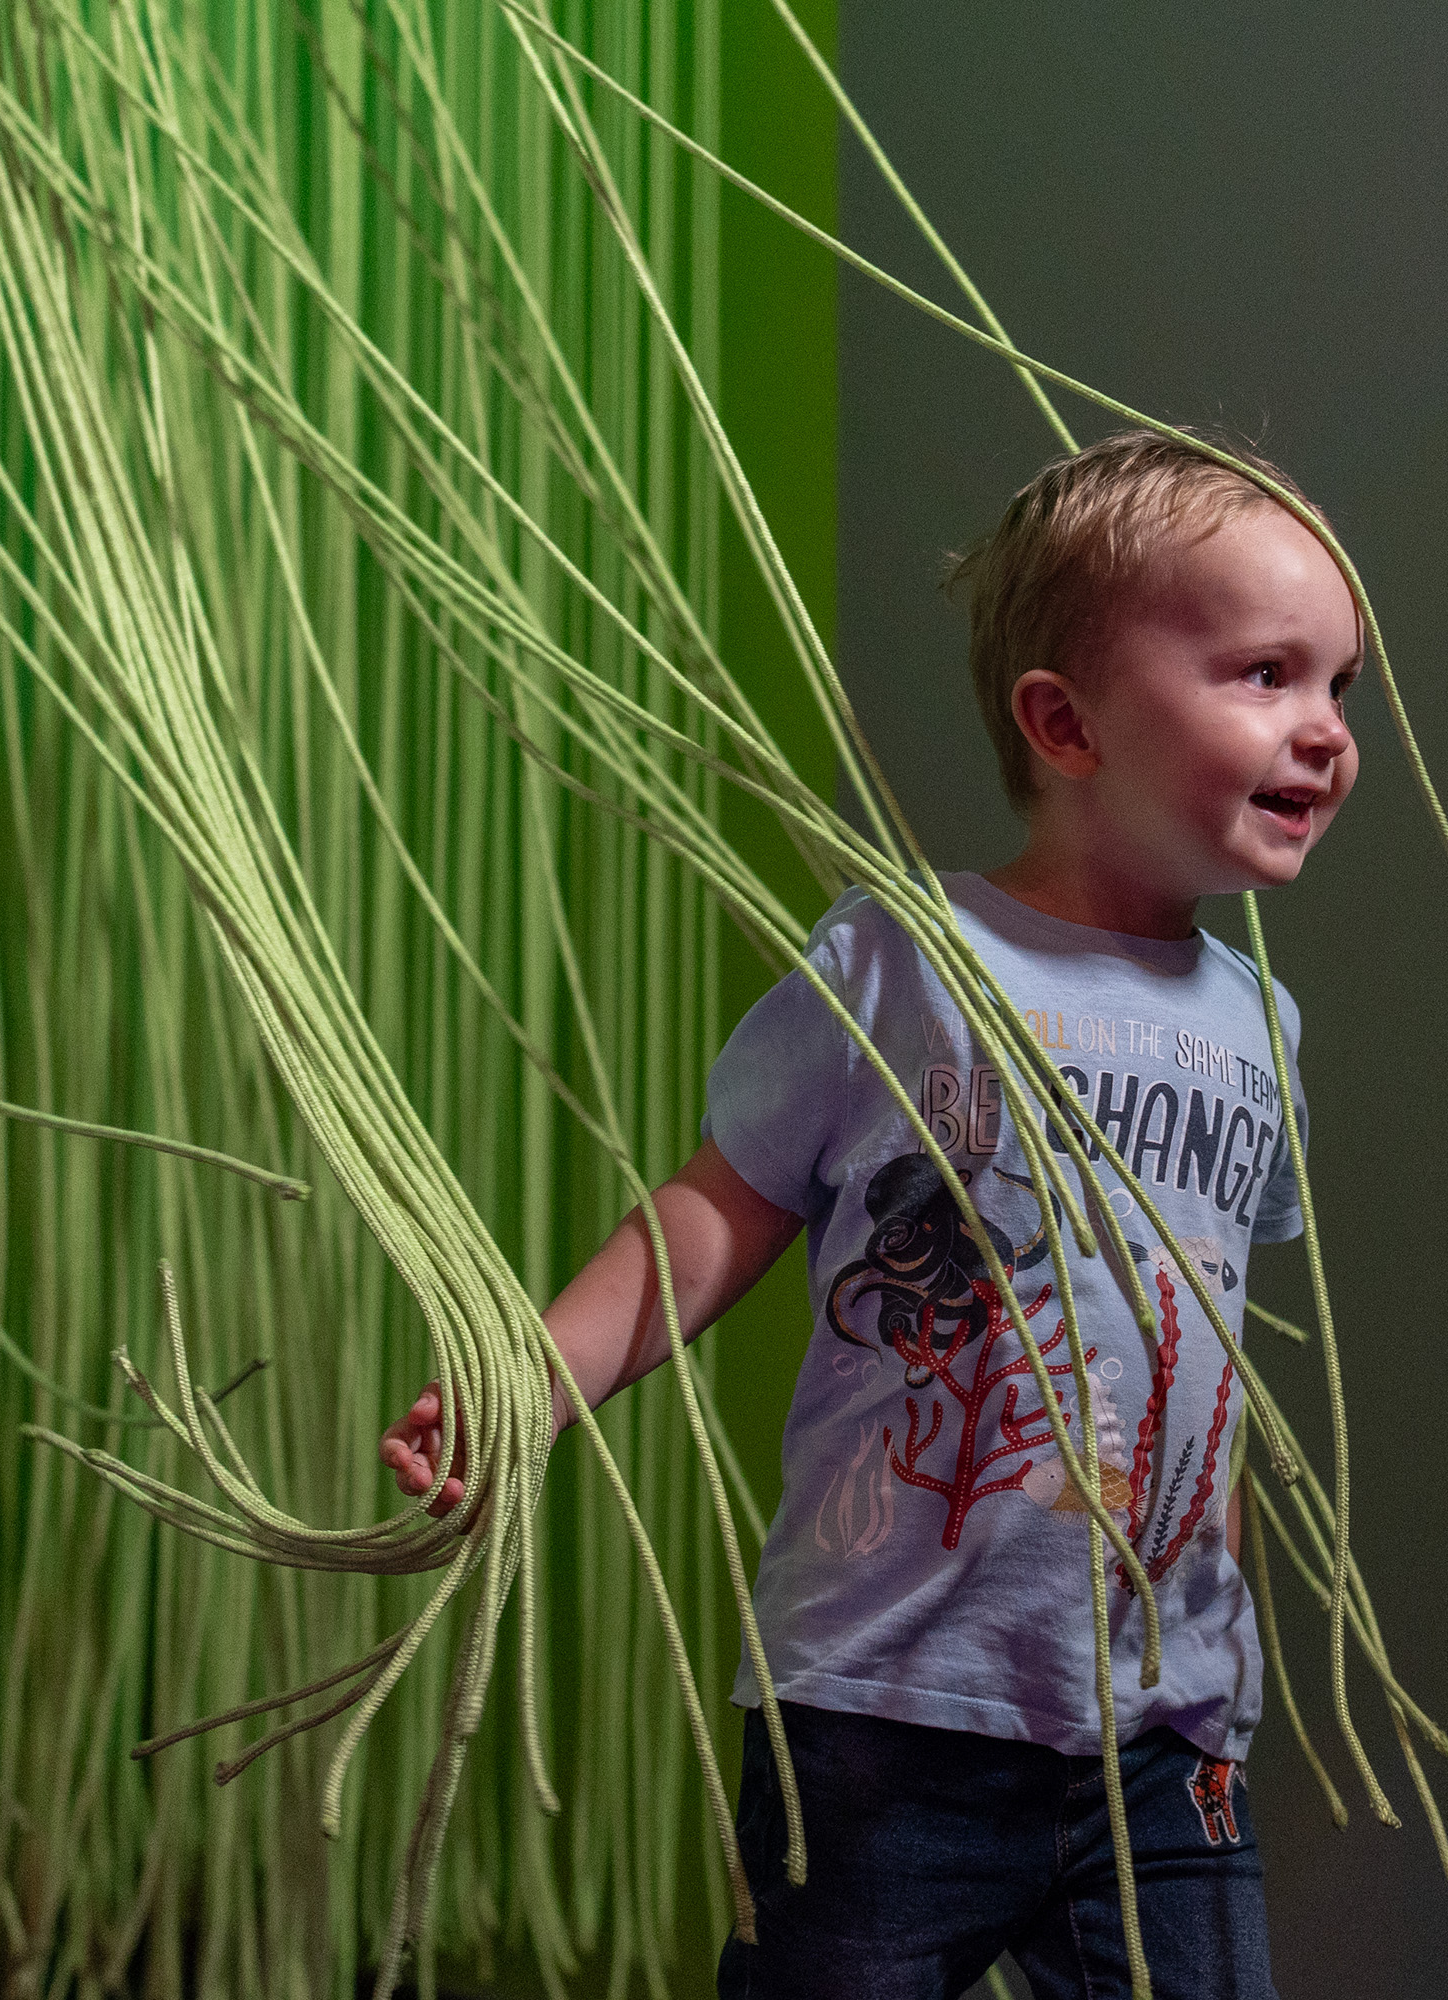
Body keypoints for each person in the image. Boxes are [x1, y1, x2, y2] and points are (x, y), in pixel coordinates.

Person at [381, 430, 1361, 1999]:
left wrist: (1219, 1663)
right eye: (1265, 675)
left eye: (1339, 688)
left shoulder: (1264, 1024)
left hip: (1160, 1743)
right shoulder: (904, 960)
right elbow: (710, 1213)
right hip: (887, 1719)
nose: (1324, 733)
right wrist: (530, 1386)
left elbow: (1208, 1361)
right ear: (1066, 722)